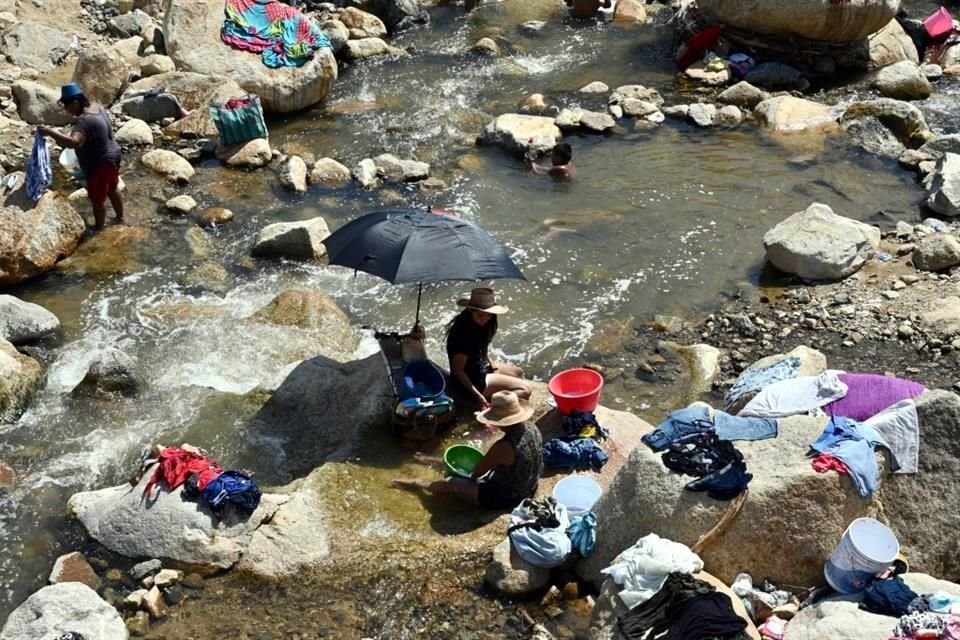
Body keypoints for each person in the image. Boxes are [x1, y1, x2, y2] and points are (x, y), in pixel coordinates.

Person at [391, 390, 543, 509]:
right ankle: (429, 460)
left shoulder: (503, 447)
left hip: (508, 497)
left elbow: (476, 473)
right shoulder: (533, 427)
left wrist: (456, 473)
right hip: (529, 484)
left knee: (451, 482)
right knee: (475, 465)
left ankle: (417, 484)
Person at [38, 83, 123, 230]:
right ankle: (120, 218)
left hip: (100, 163)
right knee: (113, 188)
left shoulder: (83, 121)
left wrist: (50, 132)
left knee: (97, 200)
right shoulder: (96, 106)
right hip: (114, 155)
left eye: (67, 106)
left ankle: (99, 229)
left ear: (76, 103)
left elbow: (74, 143)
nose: (67, 110)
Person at [446, 287, 532, 409]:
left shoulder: (482, 325)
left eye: (489, 315)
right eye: (480, 315)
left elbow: (482, 347)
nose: (485, 319)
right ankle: (493, 408)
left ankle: (497, 396)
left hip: (479, 367)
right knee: (525, 390)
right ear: (470, 310)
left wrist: (491, 365)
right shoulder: (462, 335)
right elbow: (457, 371)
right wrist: (477, 396)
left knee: (518, 372)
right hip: (472, 381)